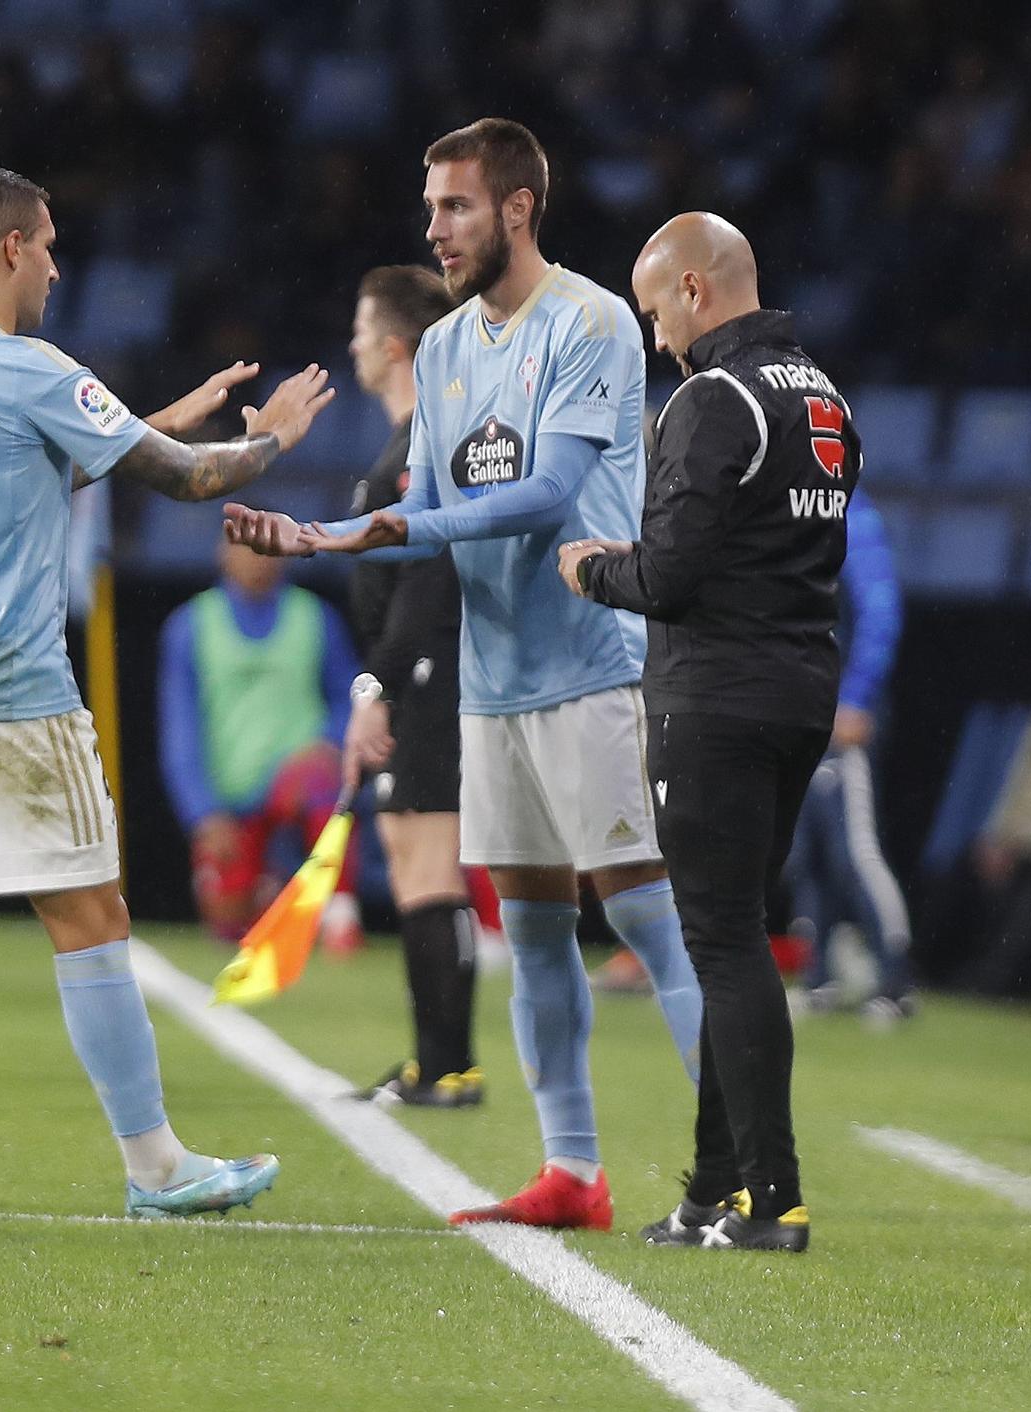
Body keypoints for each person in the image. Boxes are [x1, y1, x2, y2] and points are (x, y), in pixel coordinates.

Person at [0, 163, 334, 1214]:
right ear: (6, 251)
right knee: (92, 916)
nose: (55, 262)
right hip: (6, 694)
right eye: (45, 243)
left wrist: (165, 414)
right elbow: (185, 479)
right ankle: (158, 1167)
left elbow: (25, 462)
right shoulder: (29, 363)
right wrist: (273, 440)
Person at [225, 118, 701, 1230]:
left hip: (592, 668)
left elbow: (545, 492)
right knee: (531, 931)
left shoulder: (588, 322)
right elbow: (431, 523)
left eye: (455, 206)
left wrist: (378, 524)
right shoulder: (441, 353)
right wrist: (324, 538)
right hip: (494, 682)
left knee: (649, 923)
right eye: (430, 206)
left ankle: (737, 1166)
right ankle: (571, 1172)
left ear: (518, 208)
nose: (433, 227)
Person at [558, 212, 851, 1253]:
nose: (653, 340)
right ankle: (711, 1188)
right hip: (797, 688)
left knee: (722, 943)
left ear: (691, 289)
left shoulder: (712, 398)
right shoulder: (822, 394)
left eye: (653, 312)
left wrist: (592, 567)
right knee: (732, 937)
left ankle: (767, 1196)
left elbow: (671, 577)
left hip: (716, 697)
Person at [338, 263, 486, 1106]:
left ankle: (448, 1065)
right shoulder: (407, 442)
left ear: (394, 345)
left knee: (430, 864)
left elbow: (426, 587)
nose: (353, 344)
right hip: (415, 673)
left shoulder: (424, 446)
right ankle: (436, 1059)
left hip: (428, 675)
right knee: (409, 856)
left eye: (362, 329)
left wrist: (377, 687)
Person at [158, 538, 364, 951]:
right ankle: (266, 892)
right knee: (229, 924)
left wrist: (329, 742)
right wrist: (203, 814)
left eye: (267, 548)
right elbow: (179, 729)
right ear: (223, 553)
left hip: (298, 785)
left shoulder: (315, 617)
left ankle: (339, 912)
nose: (257, 560)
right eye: (246, 547)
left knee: (324, 786)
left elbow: (353, 696)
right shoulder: (190, 626)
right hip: (231, 800)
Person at [787, 497, 916, 1022]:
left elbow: (882, 610)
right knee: (805, 853)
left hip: (842, 710)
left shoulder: (849, 515)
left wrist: (857, 697)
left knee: (853, 850)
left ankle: (897, 981)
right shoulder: (787, 511)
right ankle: (822, 977)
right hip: (798, 709)